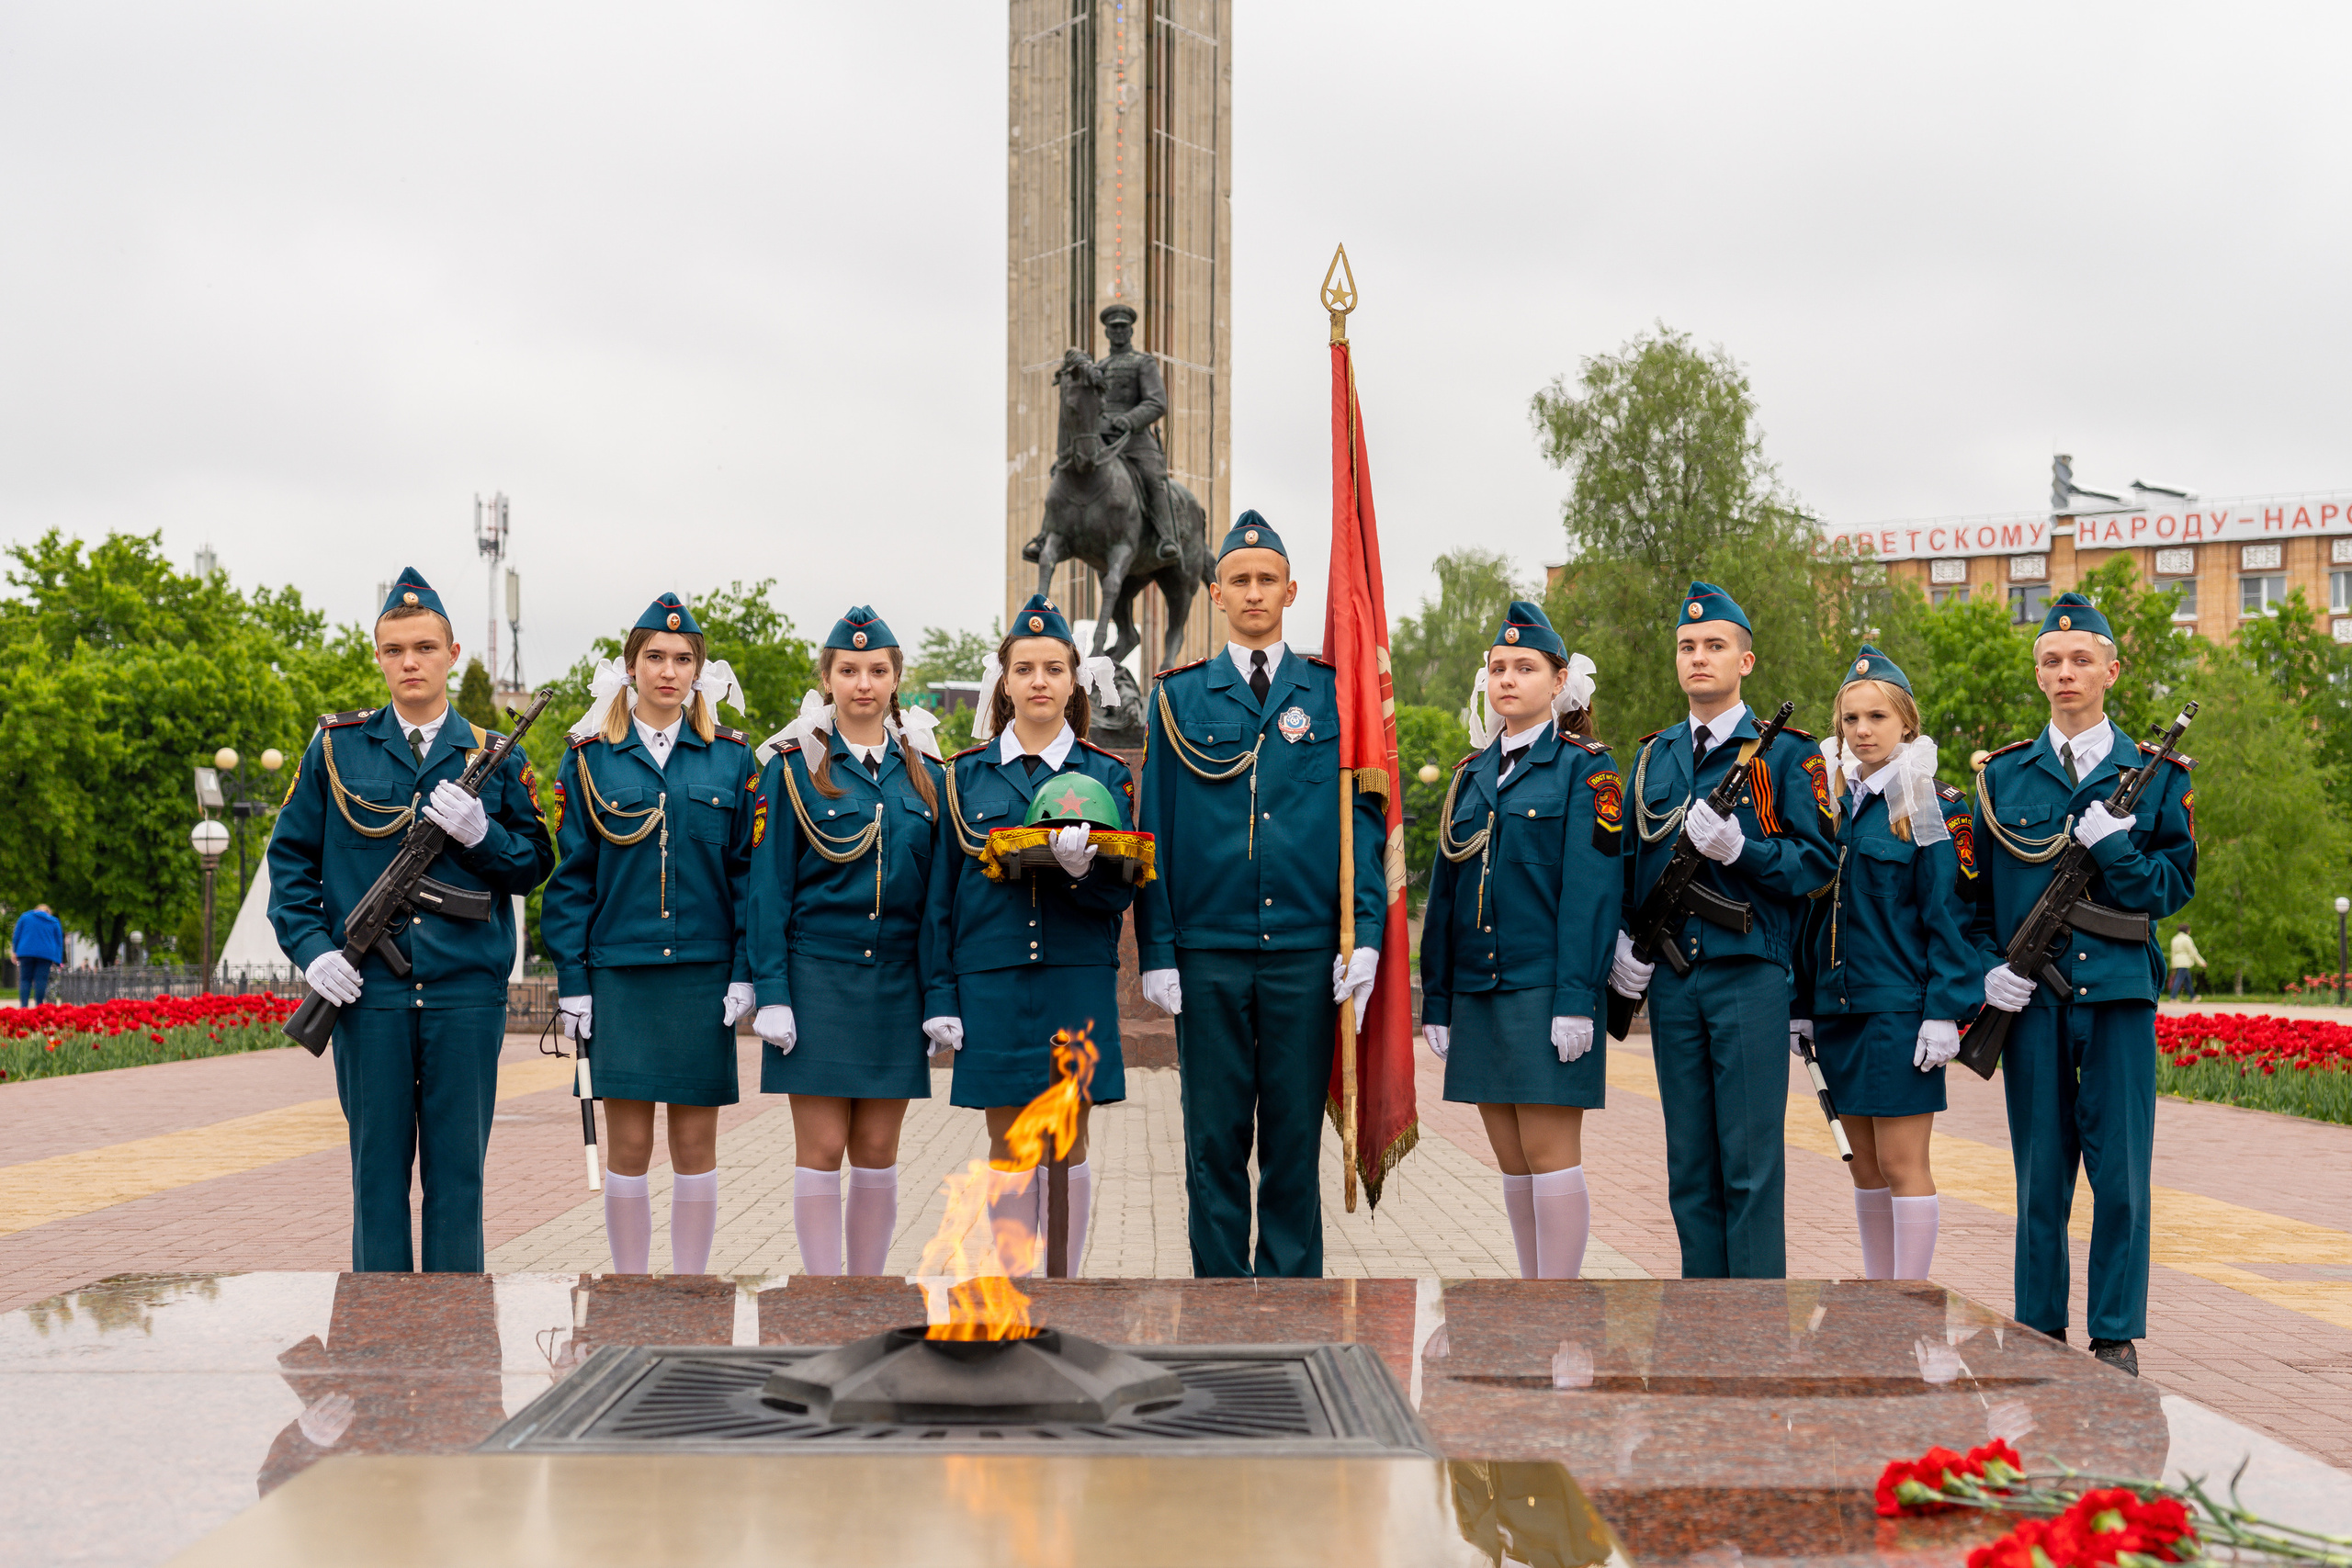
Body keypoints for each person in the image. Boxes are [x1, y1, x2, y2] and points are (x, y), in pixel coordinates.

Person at [266, 567, 554, 1272]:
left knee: (458, 1181)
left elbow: (534, 864)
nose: (410, 663)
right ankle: (377, 1350)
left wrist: (483, 834)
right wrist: (313, 952)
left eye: (424, 647)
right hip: (370, 997)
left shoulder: (491, 753)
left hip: (464, 995)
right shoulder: (336, 747)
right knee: (377, 1183)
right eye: (395, 649)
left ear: (453, 654)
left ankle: (453, 1354)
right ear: (378, 656)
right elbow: (290, 864)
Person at [1134, 511, 1388, 1279]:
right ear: (1216, 593)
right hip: (1208, 955)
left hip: (1305, 954)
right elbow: (1157, 830)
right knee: (1212, 1140)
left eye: (1266, 580)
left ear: (1291, 590)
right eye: (1239, 580)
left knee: (1289, 1140)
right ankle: (1218, 1306)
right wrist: (1158, 949)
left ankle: (1289, 1302)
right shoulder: (1178, 698)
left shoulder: (1333, 694)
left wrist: (1367, 933)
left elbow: (1362, 826)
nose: (1253, 593)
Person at [1972, 591, 2195, 1377]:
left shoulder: (2157, 775)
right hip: (2030, 1003)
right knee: (2040, 1177)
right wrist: (1986, 974)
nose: (2064, 672)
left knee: (2121, 1175)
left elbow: (2170, 888)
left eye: (2079, 659)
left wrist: (2120, 853)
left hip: (2119, 999)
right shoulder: (2002, 777)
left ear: (2111, 668)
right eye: (2050, 660)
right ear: (2038, 674)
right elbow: (1969, 901)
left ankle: (2113, 1334)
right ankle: (2037, 1327)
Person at [1609, 581, 1838, 1280]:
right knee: (1691, 1169)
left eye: (1715, 646)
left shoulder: (1786, 755)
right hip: (1674, 982)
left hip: (1748, 974)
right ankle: (1699, 1325)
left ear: (1746, 661)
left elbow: (1821, 863)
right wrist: (1624, 938)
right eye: (1687, 646)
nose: (1698, 656)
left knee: (1750, 1167)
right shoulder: (1654, 757)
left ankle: (1757, 1334)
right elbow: (1629, 860)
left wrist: (1745, 851)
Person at [540, 592, 758, 1276]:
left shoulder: (731, 760)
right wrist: (573, 984)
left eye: (683, 658)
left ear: (699, 670)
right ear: (631, 667)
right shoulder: (589, 760)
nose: (669, 670)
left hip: (701, 976)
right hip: (621, 977)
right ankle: (629, 1288)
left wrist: (746, 970)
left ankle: (692, 1288)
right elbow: (571, 880)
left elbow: (748, 877)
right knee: (627, 1149)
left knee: (696, 1146)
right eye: (655, 657)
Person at [923, 594, 1136, 1274]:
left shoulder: (1105, 774)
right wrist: (940, 994)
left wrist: (1081, 873)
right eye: (1025, 668)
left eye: (1053, 667)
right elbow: (941, 898)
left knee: (1067, 1141)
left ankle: (1063, 1288)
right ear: (1004, 681)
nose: (1039, 680)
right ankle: (1013, 1289)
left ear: (1074, 680)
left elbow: (1122, 891)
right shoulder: (965, 773)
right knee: (1009, 1138)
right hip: (993, 976)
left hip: (1075, 973)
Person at [1419, 604, 1619, 1280]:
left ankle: (1557, 1306)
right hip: (1479, 991)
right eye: (1498, 667)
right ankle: (1530, 1293)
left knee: (1549, 1152)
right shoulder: (1470, 775)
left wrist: (1576, 998)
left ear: (1559, 681)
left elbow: (1592, 894)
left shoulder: (1585, 770)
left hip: (1544, 991)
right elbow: (1444, 897)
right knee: (1510, 1157)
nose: (1509, 677)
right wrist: (1438, 997)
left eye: (1526, 667)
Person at [747, 607, 946, 1277]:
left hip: (895, 982)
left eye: (877, 670)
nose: (863, 682)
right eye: (849, 669)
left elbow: (938, 902)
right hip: (819, 978)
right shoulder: (793, 769)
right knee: (824, 1145)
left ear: (896, 681)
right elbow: (767, 888)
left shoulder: (927, 776)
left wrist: (939, 994)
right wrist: (771, 991)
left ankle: (865, 1291)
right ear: (827, 678)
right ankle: (821, 1294)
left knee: (878, 1148)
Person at [1792, 647, 1981, 1281]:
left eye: (1876, 715)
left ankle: (1910, 1301)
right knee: (1865, 1167)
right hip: (1840, 1013)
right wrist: (1803, 1003)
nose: (1862, 730)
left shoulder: (1927, 804)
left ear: (1907, 724)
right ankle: (1879, 1297)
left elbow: (1949, 915)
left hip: (1901, 1015)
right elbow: (1814, 915)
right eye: (1850, 718)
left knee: (1903, 1164)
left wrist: (1945, 1011)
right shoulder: (1835, 805)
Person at [1021, 301, 1179, 564]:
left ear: (1130, 331)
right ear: (1106, 333)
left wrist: (1129, 420)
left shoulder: (1143, 363)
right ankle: (1046, 534)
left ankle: (1167, 537)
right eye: (1113, 328)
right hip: (1101, 438)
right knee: (1060, 471)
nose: (1118, 332)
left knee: (1154, 478)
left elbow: (1157, 402)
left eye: (1123, 327)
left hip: (1134, 438)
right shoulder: (1099, 368)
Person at [9, 903, 65, 1006]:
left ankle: (24, 1007)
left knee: (25, 979)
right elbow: (59, 942)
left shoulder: (25, 917)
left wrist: (15, 951)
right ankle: (39, 1005)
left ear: (36, 910)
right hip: (45, 955)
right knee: (41, 980)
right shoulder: (54, 921)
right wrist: (58, 960)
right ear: (48, 912)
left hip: (25, 952)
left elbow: (16, 935)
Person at [2167, 924, 2205, 1001]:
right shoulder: (2187, 939)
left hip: (2177, 962)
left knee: (2188, 980)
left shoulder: (2174, 939)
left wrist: (2173, 963)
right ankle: (2173, 998)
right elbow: (2193, 952)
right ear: (2187, 930)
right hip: (2184, 962)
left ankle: (2193, 997)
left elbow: (2172, 952)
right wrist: (2201, 962)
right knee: (2179, 980)